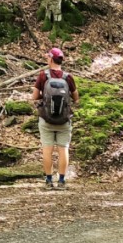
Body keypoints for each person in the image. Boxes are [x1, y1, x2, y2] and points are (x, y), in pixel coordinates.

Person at [32, 48, 79, 189]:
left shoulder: (43, 76)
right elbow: (76, 98)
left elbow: (34, 97)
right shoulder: (68, 77)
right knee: (63, 149)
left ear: (51, 59)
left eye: (48, 57)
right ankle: (62, 181)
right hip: (64, 120)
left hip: (46, 119)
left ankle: (48, 181)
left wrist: (45, 97)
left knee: (47, 149)